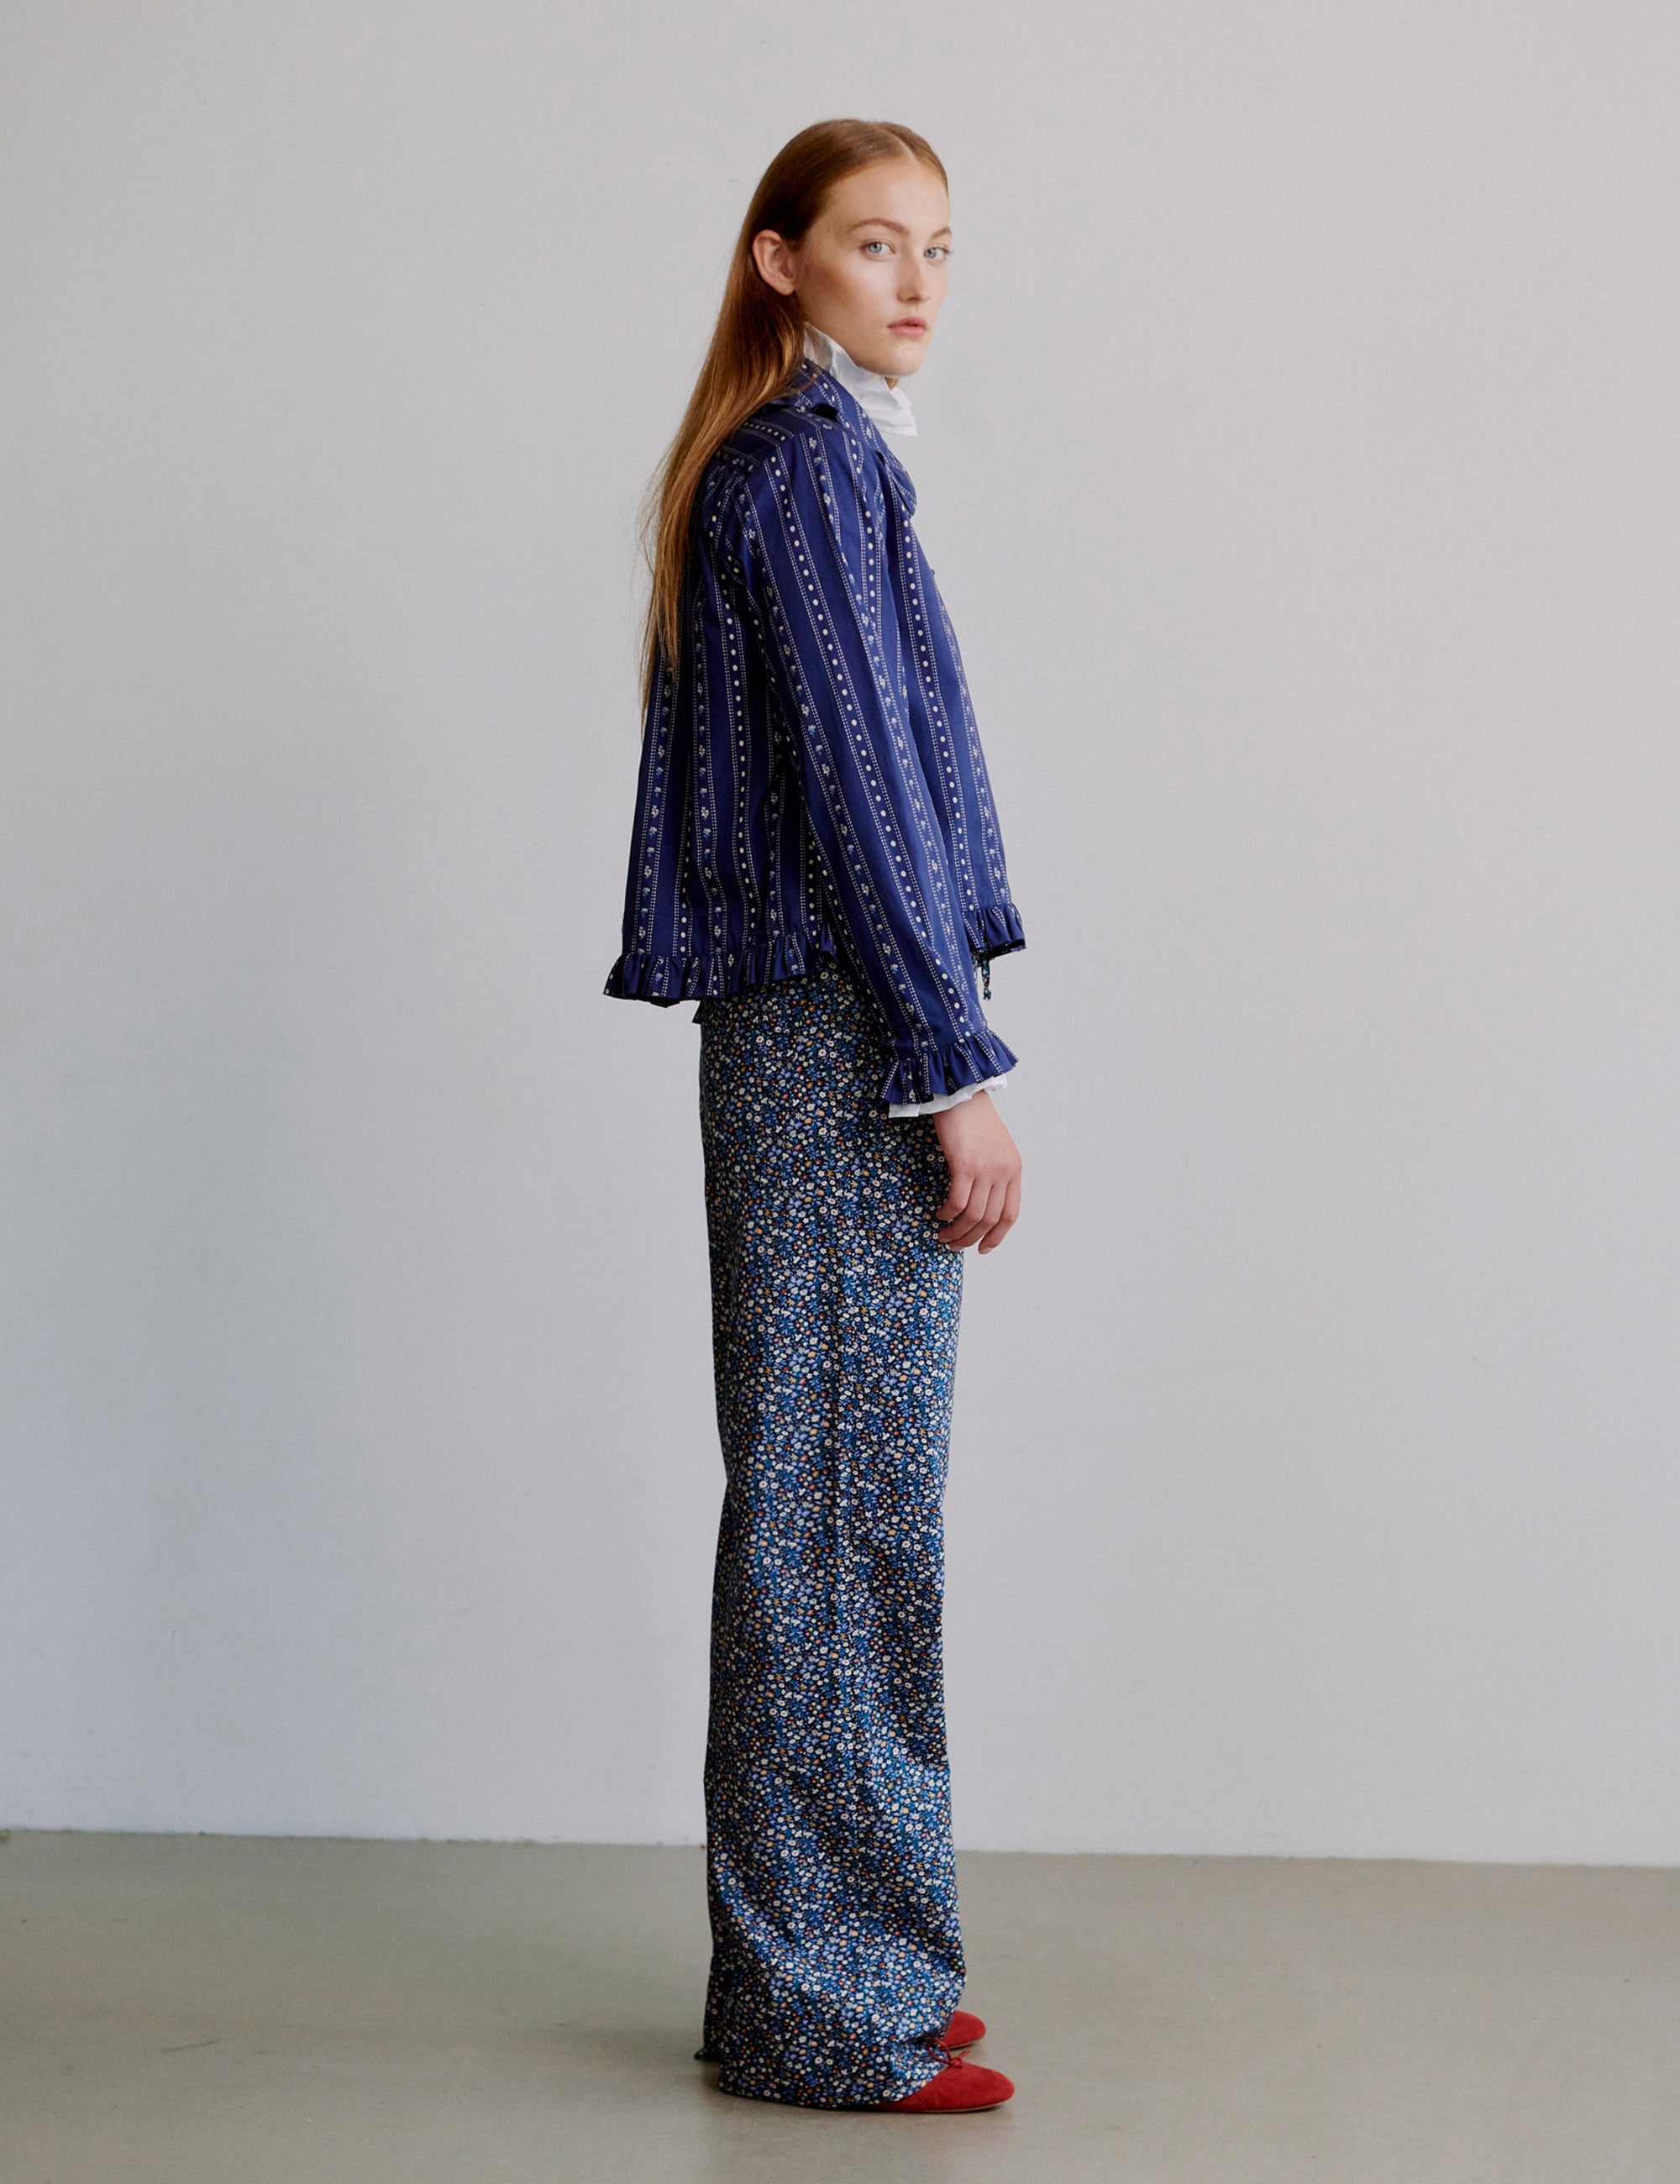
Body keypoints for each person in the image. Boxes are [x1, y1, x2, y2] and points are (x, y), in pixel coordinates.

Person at [602, 118, 1026, 2114]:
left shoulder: (808, 466)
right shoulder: (804, 472)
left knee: (848, 1507)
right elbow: (863, 796)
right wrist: (953, 1069)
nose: (917, 282)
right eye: (874, 245)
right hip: (840, 1037)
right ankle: (819, 2002)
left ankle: (849, 1959)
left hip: (821, 1025)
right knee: (828, 1514)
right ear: (781, 262)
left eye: (937, 245)